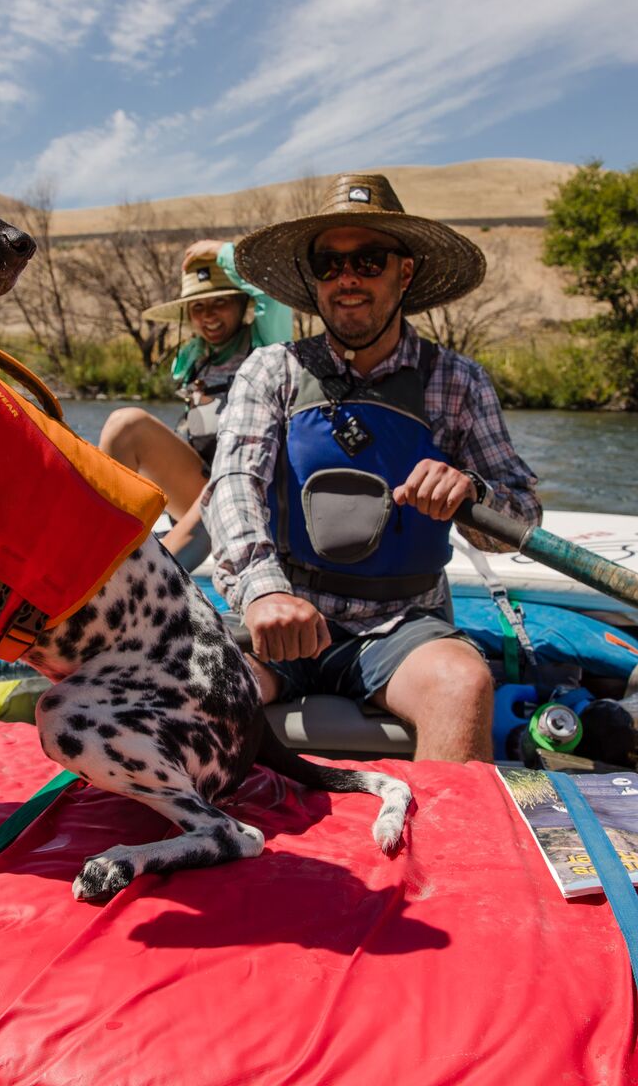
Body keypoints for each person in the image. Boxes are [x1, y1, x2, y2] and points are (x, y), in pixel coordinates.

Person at [203, 173, 541, 762]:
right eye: (329, 266)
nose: (347, 279)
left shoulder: (458, 382)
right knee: (194, 691)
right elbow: (233, 485)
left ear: (403, 273)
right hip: (287, 615)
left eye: (368, 260)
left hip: (404, 625)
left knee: (463, 685)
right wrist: (262, 592)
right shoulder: (270, 369)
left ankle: (449, 851)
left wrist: (473, 494)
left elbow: (521, 515)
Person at [100, 240, 291, 561]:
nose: (209, 316)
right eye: (199, 307)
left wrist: (222, 251)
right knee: (125, 423)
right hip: (204, 485)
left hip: (260, 493)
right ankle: (103, 540)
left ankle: (141, 580)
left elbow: (273, 299)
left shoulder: (266, 344)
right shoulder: (194, 358)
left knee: (222, 489)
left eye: (220, 302)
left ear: (242, 304)